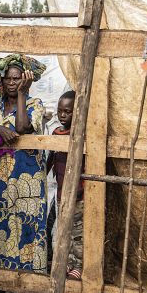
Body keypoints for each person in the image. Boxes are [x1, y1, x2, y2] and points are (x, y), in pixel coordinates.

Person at [0, 54, 49, 272]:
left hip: (27, 177)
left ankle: (28, 273)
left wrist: (23, 95)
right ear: (2, 81)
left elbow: (23, 127)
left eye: (17, 79)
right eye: (9, 79)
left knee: (26, 221)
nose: (12, 83)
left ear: (24, 80)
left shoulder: (35, 104)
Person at [46, 90, 82, 278]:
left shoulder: (80, 134)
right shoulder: (56, 132)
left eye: (67, 112)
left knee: (78, 232)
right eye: (60, 111)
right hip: (61, 192)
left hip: (78, 193)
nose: (62, 115)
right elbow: (50, 158)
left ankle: (79, 265)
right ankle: (68, 262)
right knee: (63, 231)